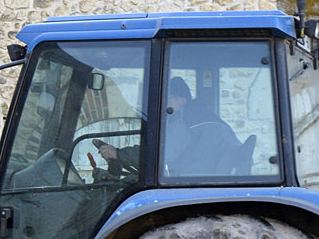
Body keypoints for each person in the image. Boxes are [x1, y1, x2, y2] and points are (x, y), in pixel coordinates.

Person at [96, 76, 240, 177]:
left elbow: (160, 156)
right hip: (199, 178)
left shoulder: (187, 121)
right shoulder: (201, 117)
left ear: (182, 100)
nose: (164, 103)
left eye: (168, 97)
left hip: (192, 182)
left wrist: (119, 154)